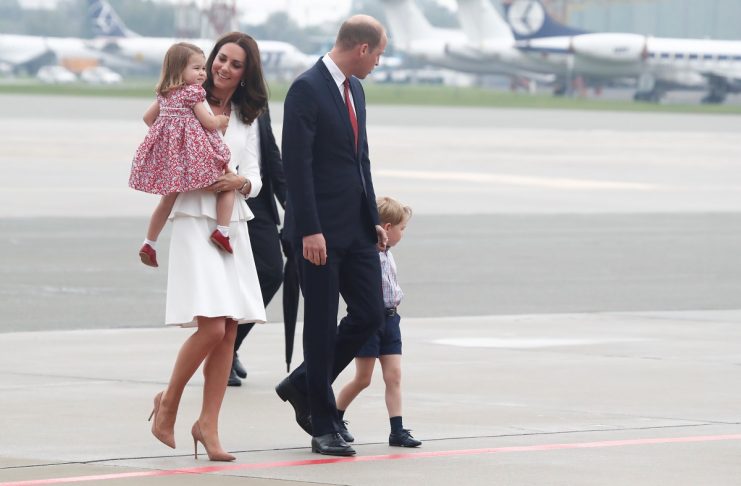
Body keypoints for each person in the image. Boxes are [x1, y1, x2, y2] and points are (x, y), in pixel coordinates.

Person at [146, 32, 268, 462]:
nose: (224, 68)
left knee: (229, 330)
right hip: (193, 218)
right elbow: (152, 136)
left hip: (230, 222)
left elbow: (253, 172)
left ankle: (207, 426)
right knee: (213, 326)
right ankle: (170, 403)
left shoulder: (246, 115)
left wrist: (241, 182)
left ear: (245, 73)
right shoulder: (183, 99)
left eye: (236, 64)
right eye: (221, 59)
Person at [275, 15, 388, 457]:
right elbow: (296, 167)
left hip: (357, 228)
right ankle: (322, 420)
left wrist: (373, 214)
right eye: (378, 54)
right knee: (320, 326)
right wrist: (309, 229)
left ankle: (304, 383)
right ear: (361, 48)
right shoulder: (306, 88)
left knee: (371, 313)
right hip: (317, 232)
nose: (378, 63)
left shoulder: (355, 89)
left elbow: (361, 160)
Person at [129, 42, 235, 267]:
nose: (202, 74)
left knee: (167, 200)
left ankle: (149, 242)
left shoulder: (165, 94)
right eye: (196, 68)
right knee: (228, 181)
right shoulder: (192, 93)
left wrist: (168, 136)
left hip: (175, 160)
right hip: (196, 157)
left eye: (203, 68)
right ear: (179, 70)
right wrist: (221, 120)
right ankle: (222, 232)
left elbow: (148, 119)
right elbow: (207, 123)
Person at [335, 197, 421, 448]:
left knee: (393, 376)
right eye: (402, 229)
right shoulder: (366, 254)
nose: (403, 234)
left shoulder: (388, 255)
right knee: (363, 378)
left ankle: (397, 430)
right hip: (371, 322)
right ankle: (336, 417)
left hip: (391, 319)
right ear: (387, 226)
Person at [228, 108, 287, 387]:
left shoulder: (256, 101)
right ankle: (222, 351)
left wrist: (292, 204)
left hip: (257, 199)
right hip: (223, 200)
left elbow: (270, 155)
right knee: (229, 282)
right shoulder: (210, 98)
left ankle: (229, 345)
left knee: (273, 272)